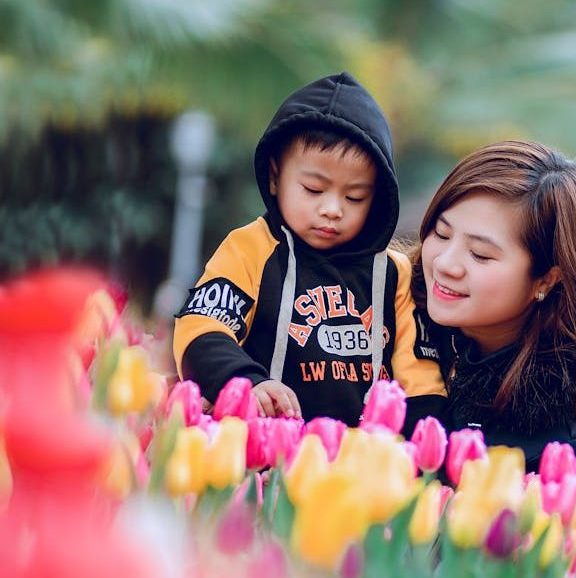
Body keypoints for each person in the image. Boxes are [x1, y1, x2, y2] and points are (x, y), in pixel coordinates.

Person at [173, 72, 444, 425]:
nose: (332, 209)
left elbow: (423, 381)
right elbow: (202, 327)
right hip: (269, 452)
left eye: (354, 196)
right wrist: (244, 382)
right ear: (275, 177)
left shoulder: (396, 274)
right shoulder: (250, 249)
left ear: (378, 198)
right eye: (314, 190)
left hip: (362, 464)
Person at [408, 140, 576, 474]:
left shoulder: (564, 448)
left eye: (480, 254)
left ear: (547, 279)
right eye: (442, 234)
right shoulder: (391, 322)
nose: (445, 264)